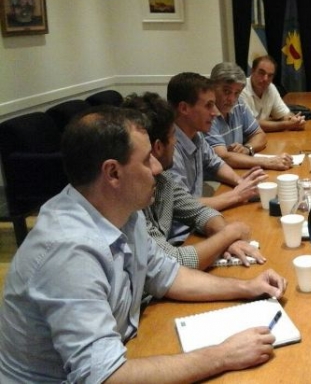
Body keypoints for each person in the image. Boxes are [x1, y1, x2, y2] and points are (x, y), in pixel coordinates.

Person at [0, 107, 287, 383]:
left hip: (124, 350)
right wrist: (223, 355)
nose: (158, 167)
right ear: (113, 173)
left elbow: (167, 275)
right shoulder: (68, 252)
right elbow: (105, 376)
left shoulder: (124, 211)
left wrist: (247, 288)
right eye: (147, 159)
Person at [123, 92, 265, 269]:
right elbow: (169, 264)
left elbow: (199, 211)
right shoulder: (129, 200)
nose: (176, 142)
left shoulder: (162, 178)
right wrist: (229, 235)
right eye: (173, 135)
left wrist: (225, 238)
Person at [167, 72, 267, 240]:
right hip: (182, 238)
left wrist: (240, 182)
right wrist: (236, 195)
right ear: (184, 108)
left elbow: (216, 163)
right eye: (208, 106)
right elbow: (184, 205)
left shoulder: (196, 136)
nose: (214, 112)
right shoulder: (169, 149)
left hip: (201, 223)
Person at [206, 62, 293, 171]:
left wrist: (247, 148)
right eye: (226, 91)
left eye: (237, 93)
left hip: (236, 171)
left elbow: (260, 134)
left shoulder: (238, 103)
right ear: (212, 87)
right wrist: (268, 162)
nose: (232, 99)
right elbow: (223, 158)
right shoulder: (206, 113)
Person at [241, 55, 306, 132]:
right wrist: (287, 124)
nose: (265, 79)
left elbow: (285, 114)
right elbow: (251, 124)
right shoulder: (241, 89)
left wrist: (295, 120)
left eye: (270, 75)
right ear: (252, 71)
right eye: (261, 73)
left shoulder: (270, 88)